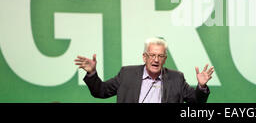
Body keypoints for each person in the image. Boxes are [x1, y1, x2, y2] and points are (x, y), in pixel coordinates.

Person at [74, 37, 214, 103]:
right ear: (144, 57)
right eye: (152, 55)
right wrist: (91, 73)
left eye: (160, 56)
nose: (156, 60)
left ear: (165, 59)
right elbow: (101, 91)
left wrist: (201, 86)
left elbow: (196, 103)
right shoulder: (127, 74)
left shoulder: (176, 78)